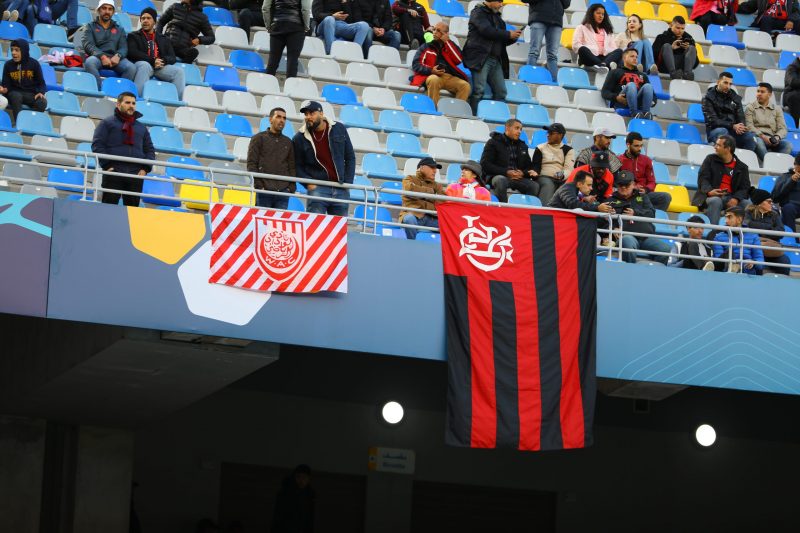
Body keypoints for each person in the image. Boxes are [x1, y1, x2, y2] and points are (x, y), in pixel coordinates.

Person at [92, 92, 155, 207]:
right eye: (127, 102)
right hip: (114, 172)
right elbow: (97, 145)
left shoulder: (142, 128)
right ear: (118, 104)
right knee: (108, 210)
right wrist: (107, 166)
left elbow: (150, 150)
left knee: (132, 213)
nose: (131, 105)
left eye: (133, 103)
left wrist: (145, 169)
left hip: (135, 175)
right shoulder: (107, 123)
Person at [293, 100, 355, 216]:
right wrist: (308, 184)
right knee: (315, 228)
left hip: (340, 187)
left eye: (312, 113)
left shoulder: (339, 128)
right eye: (306, 114)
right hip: (318, 188)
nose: (308, 117)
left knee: (338, 230)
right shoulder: (299, 137)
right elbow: (297, 166)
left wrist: (347, 183)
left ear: (321, 114)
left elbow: (350, 157)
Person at [462, 0, 522, 114]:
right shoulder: (478, 12)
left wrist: (512, 38)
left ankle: (494, 115)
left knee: (501, 92)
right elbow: (487, 31)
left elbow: (501, 40)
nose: (501, 5)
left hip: (495, 59)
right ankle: (474, 117)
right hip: (481, 58)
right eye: (499, 2)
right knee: (479, 90)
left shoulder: (498, 19)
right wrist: (508, 34)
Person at [607, 171, 672, 264]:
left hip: (646, 237)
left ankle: (655, 273)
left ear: (633, 184)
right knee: (627, 242)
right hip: (627, 236)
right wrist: (613, 228)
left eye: (626, 185)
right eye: (621, 185)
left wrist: (636, 213)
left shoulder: (643, 197)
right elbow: (605, 219)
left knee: (665, 249)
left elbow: (651, 214)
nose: (623, 187)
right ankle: (630, 272)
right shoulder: (611, 200)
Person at [692, 134, 751, 224]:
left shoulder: (742, 167)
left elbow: (745, 188)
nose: (715, 147)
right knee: (716, 201)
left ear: (728, 149)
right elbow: (703, 178)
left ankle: (743, 234)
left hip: (731, 197)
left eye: (718, 145)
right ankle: (713, 232)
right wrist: (709, 191)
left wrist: (736, 199)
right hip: (710, 196)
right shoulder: (710, 159)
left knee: (747, 204)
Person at [128, 8, 186, 100]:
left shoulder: (164, 38)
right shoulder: (133, 36)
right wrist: (152, 60)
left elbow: (172, 57)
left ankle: (177, 102)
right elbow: (132, 52)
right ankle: (137, 99)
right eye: (143, 18)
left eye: (148, 18)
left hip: (159, 66)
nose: (145, 21)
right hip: (143, 64)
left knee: (179, 72)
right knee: (144, 65)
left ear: (154, 21)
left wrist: (162, 61)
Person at [410, 22, 470, 106]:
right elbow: (416, 65)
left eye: (438, 31)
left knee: (465, 86)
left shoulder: (450, 46)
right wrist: (431, 70)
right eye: (434, 29)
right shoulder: (426, 46)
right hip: (431, 75)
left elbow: (458, 59)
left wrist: (447, 42)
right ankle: (434, 110)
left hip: (448, 77)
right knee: (433, 79)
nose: (434, 32)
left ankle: (456, 111)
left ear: (445, 34)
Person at [248, 107, 296, 210]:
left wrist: (290, 188)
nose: (282, 120)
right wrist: (260, 186)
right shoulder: (258, 139)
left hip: (283, 192)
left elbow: (292, 167)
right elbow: (252, 164)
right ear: (270, 119)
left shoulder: (288, 142)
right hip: (264, 191)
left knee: (278, 225)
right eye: (278, 117)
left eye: (284, 118)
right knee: (262, 224)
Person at [480, 118, 538, 202]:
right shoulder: (493, 142)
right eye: (516, 128)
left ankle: (525, 210)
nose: (519, 131)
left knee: (534, 186)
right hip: (498, 175)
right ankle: (504, 208)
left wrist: (522, 173)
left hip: (518, 178)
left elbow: (529, 167)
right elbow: (485, 164)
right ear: (507, 128)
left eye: (521, 129)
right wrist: (506, 172)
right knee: (500, 180)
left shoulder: (523, 146)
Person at [82, 0, 136, 89]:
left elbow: (124, 47)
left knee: (131, 68)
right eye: (104, 8)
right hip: (98, 57)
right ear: (98, 10)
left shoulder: (120, 29)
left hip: (115, 58)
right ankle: (99, 91)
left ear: (113, 12)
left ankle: (118, 93)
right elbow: (88, 44)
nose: (107, 11)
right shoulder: (90, 26)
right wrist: (102, 56)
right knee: (89, 62)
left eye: (110, 9)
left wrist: (118, 55)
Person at [702, 71, 756, 150]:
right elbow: (713, 121)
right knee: (723, 132)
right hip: (715, 131)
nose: (728, 86)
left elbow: (740, 115)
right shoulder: (708, 98)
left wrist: (741, 126)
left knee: (750, 137)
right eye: (725, 83)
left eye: (730, 84)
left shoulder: (735, 97)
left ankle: (742, 160)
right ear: (718, 82)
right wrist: (733, 126)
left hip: (733, 131)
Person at [619, 132, 672, 211]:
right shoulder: (619, 160)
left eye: (641, 145)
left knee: (666, 197)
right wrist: (630, 188)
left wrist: (646, 189)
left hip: (644, 194)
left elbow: (652, 182)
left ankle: (649, 215)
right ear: (628, 145)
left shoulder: (646, 160)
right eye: (636, 146)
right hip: (628, 194)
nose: (639, 148)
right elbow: (617, 181)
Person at [744, 188, 791, 274]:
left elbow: (780, 232)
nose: (771, 204)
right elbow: (747, 226)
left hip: (771, 248)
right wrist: (769, 228)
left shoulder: (775, 214)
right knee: (756, 266)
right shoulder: (748, 213)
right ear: (760, 203)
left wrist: (759, 229)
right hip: (754, 249)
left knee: (785, 263)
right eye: (769, 202)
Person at [600, 47, 655, 119]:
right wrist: (616, 97)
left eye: (636, 57)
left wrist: (653, 101)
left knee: (648, 86)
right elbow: (605, 92)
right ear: (624, 58)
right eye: (632, 56)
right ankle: (634, 114)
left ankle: (646, 114)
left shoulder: (643, 75)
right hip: (622, 101)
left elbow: (653, 94)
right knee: (631, 85)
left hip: (638, 102)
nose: (635, 58)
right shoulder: (615, 72)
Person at [0, 39, 46, 124]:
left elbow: (41, 83)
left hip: (30, 95)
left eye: (17, 50)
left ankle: (34, 123)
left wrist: (40, 92)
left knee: (42, 102)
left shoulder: (34, 64)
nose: (13, 53)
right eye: (12, 50)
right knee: (16, 96)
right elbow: (6, 85)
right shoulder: (8, 65)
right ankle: (20, 123)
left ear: (24, 51)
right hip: (14, 94)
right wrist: (4, 90)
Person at [523, 0, 570, 81]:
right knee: (534, 52)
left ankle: (554, 82)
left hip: (556, 21)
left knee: (552, 55)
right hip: (538, 18)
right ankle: (529, 78)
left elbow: (566, 4)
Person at [745, 82, 792, 163]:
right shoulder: (750, 107)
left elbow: (783, 128)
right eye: (758, 91)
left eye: (762, 92)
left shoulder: (777, 109)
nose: (759, 94)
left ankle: (777, 164)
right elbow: (749, 126)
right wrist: (763, 136)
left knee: (788, 145)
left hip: (772, 138)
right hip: (758, 137)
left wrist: (777, 137)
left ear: (769, 95)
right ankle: (770, 163)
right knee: (758, 142)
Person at [263, 0, 311, 79]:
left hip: (277, 25)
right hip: (296, 27)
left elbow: (265, 8)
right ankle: (290, 89)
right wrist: (306, 26)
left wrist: (268, 26)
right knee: (292, 61)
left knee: (273, 61)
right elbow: (305, 9)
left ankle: (266, 87)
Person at [529, 123, 575, 205]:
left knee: (569, 187)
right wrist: (535, 172)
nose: (548, 135)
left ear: (560, 135)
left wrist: (562, 174)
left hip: (561, 178)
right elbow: (536, 165)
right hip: (543, 177)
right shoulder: (540, 147)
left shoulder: (568, 150)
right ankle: (543, 211)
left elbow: (569, 169)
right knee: (548, 184)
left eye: (551, 133)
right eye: (548, 133)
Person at [157, 0, 216, 64]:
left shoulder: (202, 17)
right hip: (168, 43)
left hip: (184, 49)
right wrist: (159, 37)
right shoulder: (175, 7)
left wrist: (199, 40)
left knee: (194, 52)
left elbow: (211, 37)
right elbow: (160, 22)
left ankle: (183, 65)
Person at [400, 157, 445, 239]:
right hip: (414, 215)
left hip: (432, 218)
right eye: (432, 168)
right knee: (409, 219)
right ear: (422, 168)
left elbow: (442, 201)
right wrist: (430, 192)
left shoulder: (437, 185)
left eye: (435, 168)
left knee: (449, 224)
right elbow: (410, 189)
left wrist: (420, 194)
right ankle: (412, 246)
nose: (435, 171)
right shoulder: (409, 178)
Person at [571, 3, 622, 72]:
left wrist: (607, 52)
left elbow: (613, 47)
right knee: (582, 49)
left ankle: (602, 65)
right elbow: (575, 45)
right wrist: (590, 49)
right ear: (591, 14)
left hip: (604, 58)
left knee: (619, 51)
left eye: (602, 14)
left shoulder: (608, 30)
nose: (601, 16)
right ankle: (603, 65)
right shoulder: (581, 27)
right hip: (590, 57)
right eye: (598, 13)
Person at [713, 205, 764, 274]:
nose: (726, 221)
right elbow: (718, 262)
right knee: (728, 254)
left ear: (739, 219)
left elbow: (760, 261)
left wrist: (753, 263)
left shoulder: (753, 236)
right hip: (727, 274)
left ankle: (736, 268)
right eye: (726, 218)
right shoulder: (719, 237)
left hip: (748, 274)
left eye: (729, 217)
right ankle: (733, 268)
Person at [271, 464, 315, 533]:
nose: (301, 480)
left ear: (308, 479)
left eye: (304, 477)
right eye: (298, 477)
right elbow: (278, 517)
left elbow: (309, 519)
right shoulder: (285, 493)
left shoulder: (310, 495)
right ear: (294, 477)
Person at [548, 169, 613, 214]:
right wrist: (597, 208)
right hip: (551, 220)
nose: (591, 188)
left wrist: (606, 209)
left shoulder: (575, 190)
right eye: (589, 185)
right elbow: (573, 204)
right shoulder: (567, 187)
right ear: (579, 184)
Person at [652, 16, 697, 80]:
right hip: (665, 67)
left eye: (682, 28)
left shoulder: (689, 39)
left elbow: (696, 62)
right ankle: (673, 73)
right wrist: (671, 48)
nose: (680, 31)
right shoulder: (661, 37)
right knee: (667, 46)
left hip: (682, 69)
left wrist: (688, 50)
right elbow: (654, 55)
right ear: (671, 25)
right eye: (677, 28)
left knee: (691, 48)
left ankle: (687, 74)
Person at [770, 153, 800, 232]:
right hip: (792, 205)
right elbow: (775, 197)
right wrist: (791, 181)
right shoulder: (785, 177)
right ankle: (791, 240)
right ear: (795, 165)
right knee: (788, 208)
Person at [785, 56, 800, 126]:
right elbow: (793, 82)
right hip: (792, 94)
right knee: (794, 97)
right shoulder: (791, 68)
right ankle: (796, 126)